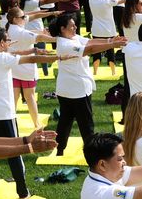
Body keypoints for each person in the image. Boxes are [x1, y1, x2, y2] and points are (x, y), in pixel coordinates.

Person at [0, 27, 69, 199]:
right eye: (7, 40)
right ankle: (22, 191)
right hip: (4, 113)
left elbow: (12, 52)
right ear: (2, 43)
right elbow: (31, 59)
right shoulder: (3, 58)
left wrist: (11, 45)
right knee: (14, 151)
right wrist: (57, 57)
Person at [49, 14, 126, 150]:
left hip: (68, 89)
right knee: (85, 124)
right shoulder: (65, 44)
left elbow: (90, 42)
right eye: (72, 26)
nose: (75, 27)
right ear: (62, 29)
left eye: (75, 25)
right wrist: (112, 45)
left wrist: (110, 40)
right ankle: (92, 151)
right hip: (77, 90)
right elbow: (89, 50)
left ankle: (59, 149)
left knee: (65, 121)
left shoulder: (72, 38)